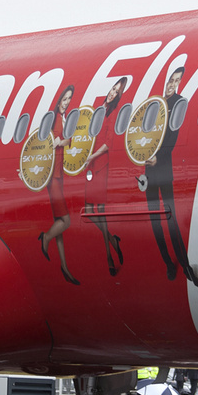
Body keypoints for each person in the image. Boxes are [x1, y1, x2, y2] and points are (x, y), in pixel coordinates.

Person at [143, 65, 198, 287]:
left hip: (163, 167)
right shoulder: (153, 103)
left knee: (171, 219)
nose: (172, 84)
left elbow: (173, 135)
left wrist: (158, 157)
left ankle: (185, 265)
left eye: (177, 80)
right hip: (148, 169)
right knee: (154, 220)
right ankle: (169, 263)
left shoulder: (179, 102)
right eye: (171, 79)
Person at [81, 76, 130, 275]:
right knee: (90, 211)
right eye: (112, 89)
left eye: (116, 92)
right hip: (91, 163)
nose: (112, 93)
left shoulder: (113, 113)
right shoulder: (99, 108)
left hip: (100, 163)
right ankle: (112, 239)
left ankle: (109, 257)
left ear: (118, 96)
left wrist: (90, 156)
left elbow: (107, 143)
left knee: (99, 211)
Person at [38, 84, 82, 285]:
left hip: (59, 173)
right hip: (53, 176)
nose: (66, 103)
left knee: (60, 226)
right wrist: (62, 141)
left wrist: (63, 141)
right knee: (65, 221)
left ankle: (64, 267)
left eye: (69, 100)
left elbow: (64, 142)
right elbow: (52, 143)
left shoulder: (62, 119)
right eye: (64, 99)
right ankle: (45, 237)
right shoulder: (54, 118)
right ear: (58, 100)